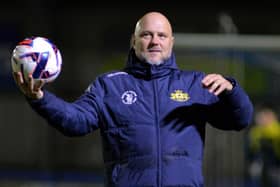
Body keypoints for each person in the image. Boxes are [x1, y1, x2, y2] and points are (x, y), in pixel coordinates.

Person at [13, 11, 253, 187]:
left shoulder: (194, 84)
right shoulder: (109, 85)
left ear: (171, 42)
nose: (154, 41)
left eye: (161, 35)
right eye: (146, 34)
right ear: (134, 40)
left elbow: (240, 120)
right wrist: (40, 99)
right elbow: (75, 121)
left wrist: (232, 91)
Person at [246, 107, 280, 187]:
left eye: (266, 116)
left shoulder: (276, 130)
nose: (263, 119)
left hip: (275, 164)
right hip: (261, 163)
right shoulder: (255, 132)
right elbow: (252, 149)